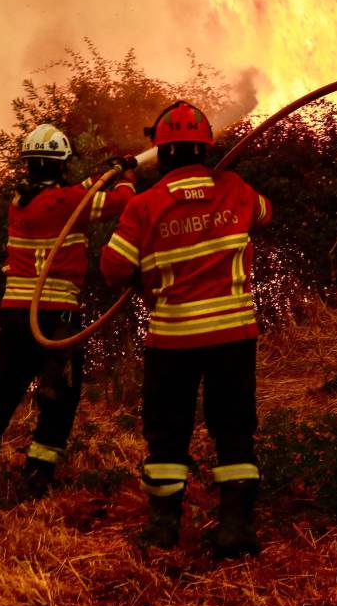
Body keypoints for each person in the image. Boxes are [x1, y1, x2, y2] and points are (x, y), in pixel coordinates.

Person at [99, 100, 273, 558]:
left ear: (162, 152)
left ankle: (162, 530)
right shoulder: (234, 188)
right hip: (233, 338)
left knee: (167, 432)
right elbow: (264, 212)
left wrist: (145, 273)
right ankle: (237, 528)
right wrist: (219, 197)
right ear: (205, 148)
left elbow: (113, 268)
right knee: (234, 429)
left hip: (174, 338)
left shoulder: (143, 206)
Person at [0, 124, 135, 499]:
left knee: (4, 390)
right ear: (61, 165)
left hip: (15, 316)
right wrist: (127, 178)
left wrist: (106, 170)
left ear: (29, 165)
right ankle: (38, 475)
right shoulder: (70, 202)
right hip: (57, 317)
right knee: (60, 395)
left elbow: (73, 194)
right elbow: (123, 202)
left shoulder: (19, 202)